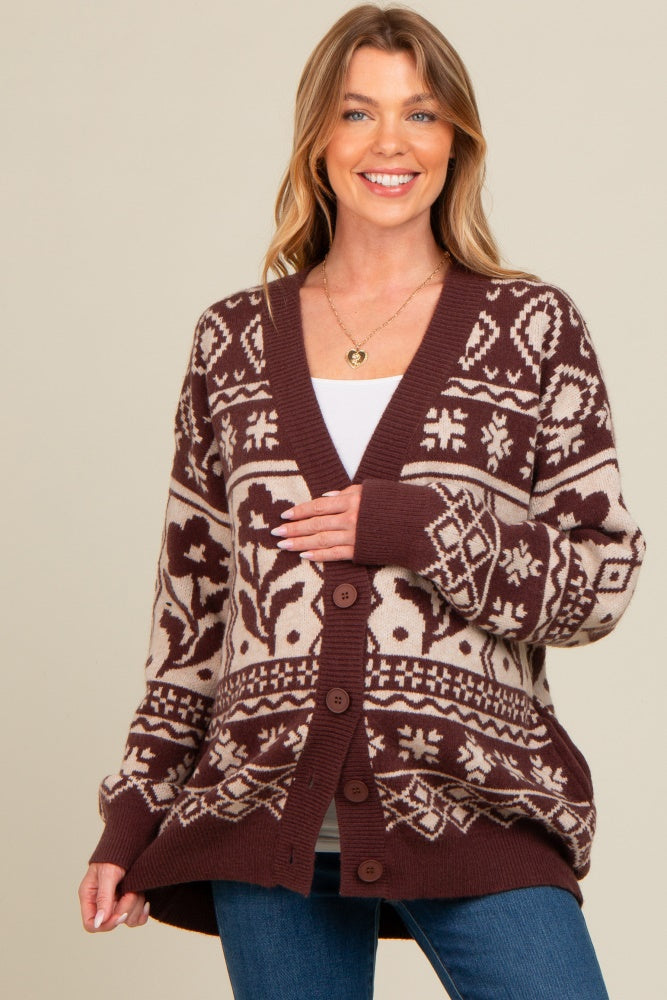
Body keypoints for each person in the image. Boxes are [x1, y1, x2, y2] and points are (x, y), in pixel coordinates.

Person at [79, 5, 644, 998]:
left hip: (472, 797)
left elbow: (599, 580)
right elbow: (194, 611)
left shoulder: (531, 328)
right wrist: (133, 814)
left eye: (420, 114)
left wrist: (423, 529)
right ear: (317, 141)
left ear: (456, 142)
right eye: (357, 113)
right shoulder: (232, 342)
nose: (390, 143)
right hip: (263, 811)